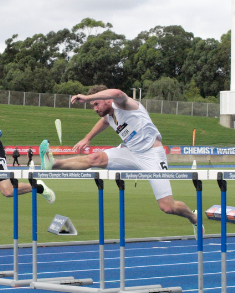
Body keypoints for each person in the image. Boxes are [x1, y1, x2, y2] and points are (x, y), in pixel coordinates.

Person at [39, 85, 200, 235]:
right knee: (95, 158)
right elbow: (104, 122)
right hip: (130, 152)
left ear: (107, 99)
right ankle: (53, 164)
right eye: (92, 105)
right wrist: (87, 138)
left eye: (96, 104)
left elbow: (116, 93)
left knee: (167, 207)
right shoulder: (109, 116)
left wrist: (87, 98)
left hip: (152, 155)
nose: (95, 108)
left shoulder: (124, 104)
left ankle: (194, 218)